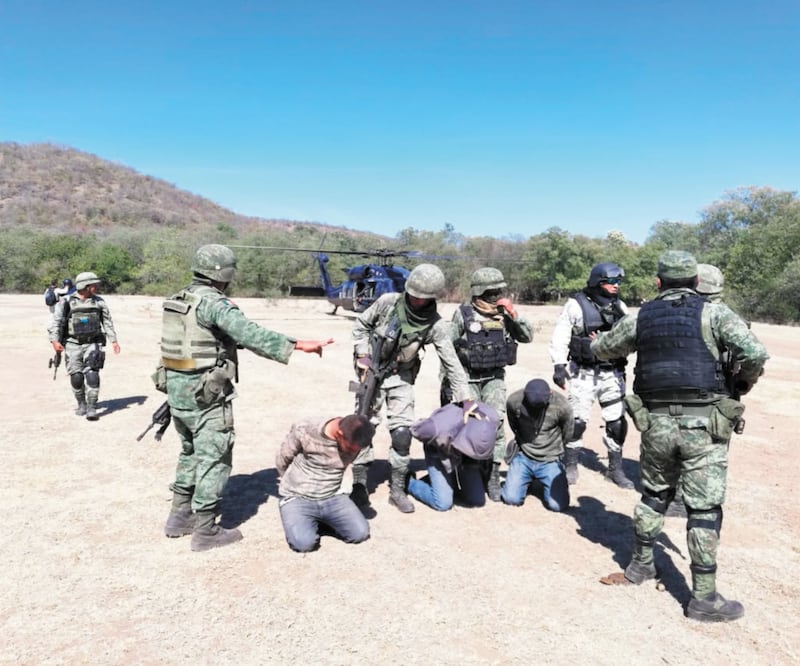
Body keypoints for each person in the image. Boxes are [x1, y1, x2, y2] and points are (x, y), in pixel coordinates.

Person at [591, 250, 769, 622]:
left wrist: (594, 340)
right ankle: (704, 599)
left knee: (653, 496)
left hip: (655, 425)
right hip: (704, 426)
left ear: (659, 282)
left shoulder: (641, 317)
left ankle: (641, 566)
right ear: (695, 282)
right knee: (703, 509)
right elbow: (754, 352)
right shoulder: (715, 313)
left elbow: (603, 348)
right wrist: (741, 382)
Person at [158, 244, 334, 553]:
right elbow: (249, 334)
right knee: (214, 457)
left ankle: (179, 516)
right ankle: (206, 530)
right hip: (206, 395)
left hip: (176, 390)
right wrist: (297, 345)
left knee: (189, 453)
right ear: (223, 273)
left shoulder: (178, 300)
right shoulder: (214, 304)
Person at [350, 263, 472, 514]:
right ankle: (359, 486)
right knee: (363, 426)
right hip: (371, 373)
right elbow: (360, 326)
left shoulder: (435, 325)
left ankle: (397, 489)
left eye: (422, 297)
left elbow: (452, 362)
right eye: (413, 294)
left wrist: (466, 399)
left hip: (401, 377)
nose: (416, 300)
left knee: (402, 433)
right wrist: (362, 355)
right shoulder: (388, 302)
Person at [448, 267, 534, 502]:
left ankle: (493, 473)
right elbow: (447, 347)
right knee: (468, 426)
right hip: (468, 378)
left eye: (499, 290)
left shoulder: (504, 314)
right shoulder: (463, 314)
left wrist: (514, 314)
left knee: (495, 423)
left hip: (494, 378)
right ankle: (465, 471)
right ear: (480, 291)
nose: (497, 294)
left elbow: (527, 337)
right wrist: (449, 383)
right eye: (493, 290)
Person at [549, 262, 633, 488]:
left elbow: (630, 336)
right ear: (598, 282)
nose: (617, 286)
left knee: (617, 423)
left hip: (612, 374)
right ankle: (570, 465)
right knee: (577, 422)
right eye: (612, 282)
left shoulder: (621, 307)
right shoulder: (576, 305)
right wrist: (559, 365)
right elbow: (561, 335)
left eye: (619, 282)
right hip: (583, 373)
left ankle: (615, 469)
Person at [276, 414, 375, 552]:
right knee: (304, 544)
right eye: (352, 449)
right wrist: (291, 483)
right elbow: (283, 459)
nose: (355, 452)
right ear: (339, 434)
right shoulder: (306, 429)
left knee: (360, 533)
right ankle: (298, 516)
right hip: (298, 495)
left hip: (332, 495)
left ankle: (316, 522)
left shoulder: (356, 440)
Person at [47, 271, 121, 420]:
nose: (96, 287)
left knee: (93, 374)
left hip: (93, 342)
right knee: (76, 376)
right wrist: (55, 341)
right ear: (85, 286)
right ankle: (81, 403)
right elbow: (56, 323)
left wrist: (114, 340)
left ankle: (92, 407)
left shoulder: (99, 302)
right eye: (94, 285)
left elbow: (107, 321)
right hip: (72, 343)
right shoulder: (66, 301)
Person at [407, 401, 499, 511]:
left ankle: (444, 481)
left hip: (467, 455)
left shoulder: (492, 418)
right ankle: (408, 481)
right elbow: (415, 429)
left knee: (476, 500)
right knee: (443, 503)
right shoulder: (438, 428)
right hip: (440, 453)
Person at [501, 379, 573, 512]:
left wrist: (554, 451)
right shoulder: (514, 401)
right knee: (511, 498)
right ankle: (526, 480)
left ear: (550, 394)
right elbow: (514, 425)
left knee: (557, 505)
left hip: (550, 459)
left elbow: (567, 433)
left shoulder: (562, 406)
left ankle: (553, 479)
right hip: (525, 456)